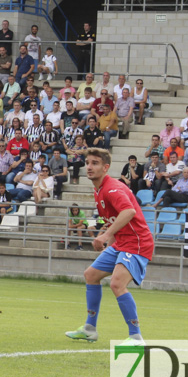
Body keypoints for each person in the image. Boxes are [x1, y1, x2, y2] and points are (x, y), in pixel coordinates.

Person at [65, 148, 152, 346]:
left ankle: (136, 337)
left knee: (116, 284)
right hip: (122, 243)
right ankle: (89, 329)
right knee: (91, 275)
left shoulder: (113, 189)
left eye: (94, 163)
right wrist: (110, 244)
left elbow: (129, 212)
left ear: (106, 167)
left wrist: (105, 235)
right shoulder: (99, 190)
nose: (89, 167)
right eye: (87, 162)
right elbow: (113, 220)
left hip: (137, 243)